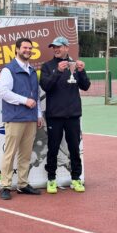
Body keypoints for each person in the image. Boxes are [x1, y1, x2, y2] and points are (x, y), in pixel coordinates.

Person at [40, 36, 90, 194]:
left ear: (67, 48)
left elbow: (86, 86)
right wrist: (58, 71)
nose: (56, 49)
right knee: (53, 148)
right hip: (55, 116)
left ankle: (76, 178)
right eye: (54, 47)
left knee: (74, 149)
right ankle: (51, 179)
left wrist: (81, 71)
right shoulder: (47, 66)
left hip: (73, 116)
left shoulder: (75, 65)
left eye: (59, 46)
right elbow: (46, 86)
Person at [0, 37, 43, 200]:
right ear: (17, 49)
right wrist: (25, 101)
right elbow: (3, 92)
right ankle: (5, 185)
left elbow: (36, 95)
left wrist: (38, 114)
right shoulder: (8, 69)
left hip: (30, 118)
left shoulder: (32, 70)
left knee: (25, 154)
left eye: (30, 48)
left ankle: (23, 184)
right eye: (25, 48)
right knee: (10, 154)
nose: (28, 50)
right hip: (15, 117)